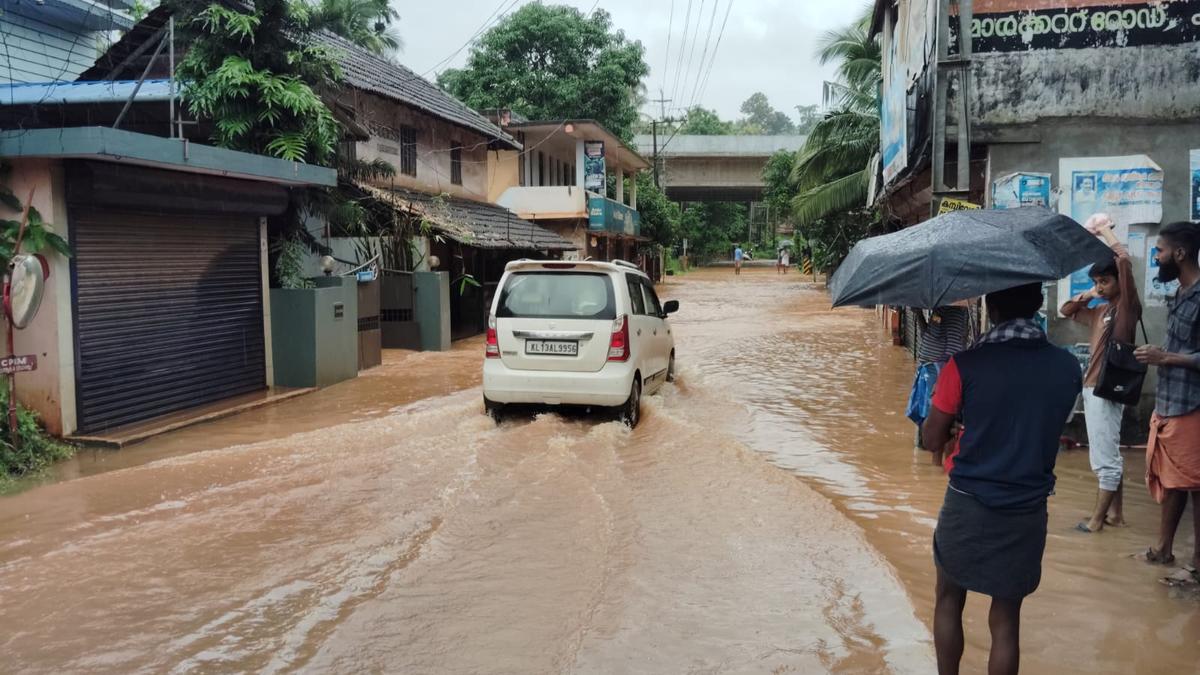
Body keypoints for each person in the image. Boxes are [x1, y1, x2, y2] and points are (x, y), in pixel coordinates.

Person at [922, 283, 1082, 675]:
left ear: (991, 308)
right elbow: (1044, 424)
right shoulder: (1066, 366)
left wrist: (960, 421)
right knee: (1007, 618)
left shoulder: (964, 366)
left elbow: (930, 440)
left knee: (948, 598)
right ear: (1034, 306)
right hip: (1027, 507)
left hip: (968, 500)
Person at [1060, 230, 1141, 533]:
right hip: (1095, 387)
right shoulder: (1102, 310)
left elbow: (1124, 261)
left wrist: (1107, 231)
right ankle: (1116, 515)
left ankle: (1096, 521)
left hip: (1105, 388)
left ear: (1120, 283)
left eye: (1104, 281)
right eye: (1096, 282)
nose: (1100, 287)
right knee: (1109, 451)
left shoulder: (1126, 309)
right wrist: (1089, 294)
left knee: (1103, 457)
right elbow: (1066, 310)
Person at [1134, 221, 1200, 575]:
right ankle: (1164, 550)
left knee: (1195, 486)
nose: (1156, 258)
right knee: (1175, 482)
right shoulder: (1178, 295)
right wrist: (1161, 354)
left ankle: (1196, 563)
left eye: (1159, 251)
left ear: (1179, 253)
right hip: (1170, 404)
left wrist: (1166, 358)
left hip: (1192, 406)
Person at [908, 306, 971, 434]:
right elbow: (963, 337)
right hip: (949, 363)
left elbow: (932, 335)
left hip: (934, 364)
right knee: (945, 410)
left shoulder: (941, 311)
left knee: (929, 412)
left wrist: (919, 314)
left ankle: (926, 443)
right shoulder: (964, 310)